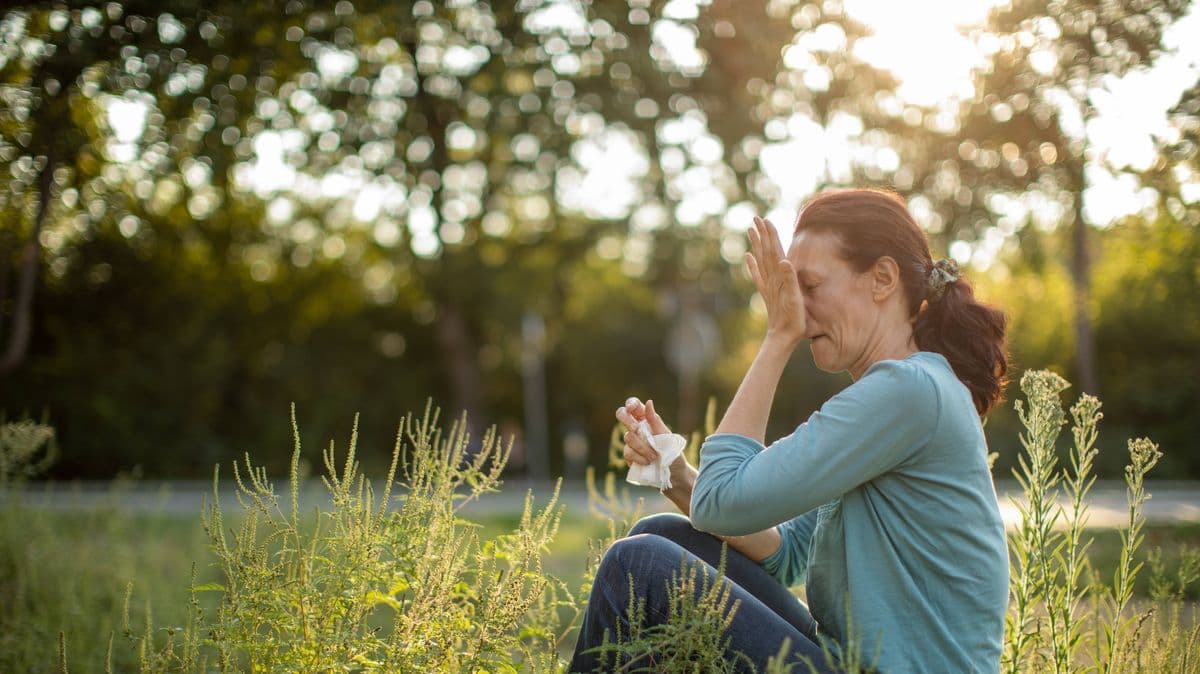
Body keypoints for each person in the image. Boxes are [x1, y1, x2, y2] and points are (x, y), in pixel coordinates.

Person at [569, 189, 1010, 673]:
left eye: (811, 286)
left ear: (883, 279)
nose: (796, 310)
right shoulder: (897, 395)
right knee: (660, 536)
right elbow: (788, 553)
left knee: (639, 566)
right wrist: (676, 475)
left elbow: (721, 501)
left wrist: (778, 337)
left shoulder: (908, 391)